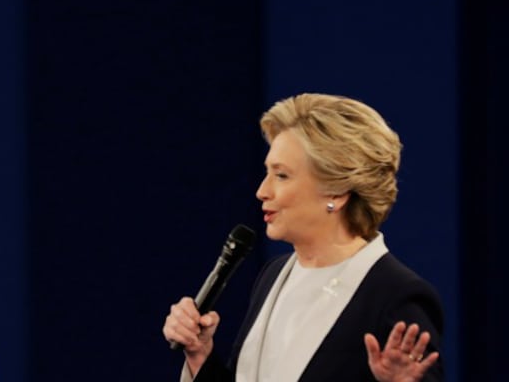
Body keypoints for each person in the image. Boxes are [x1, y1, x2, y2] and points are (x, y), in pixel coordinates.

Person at [162, 93, 443, 381]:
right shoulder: (274, 274)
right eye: (267, 173)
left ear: (336, 190)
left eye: (281, 175)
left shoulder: (396, 295)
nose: (262, 191)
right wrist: (200, 355)